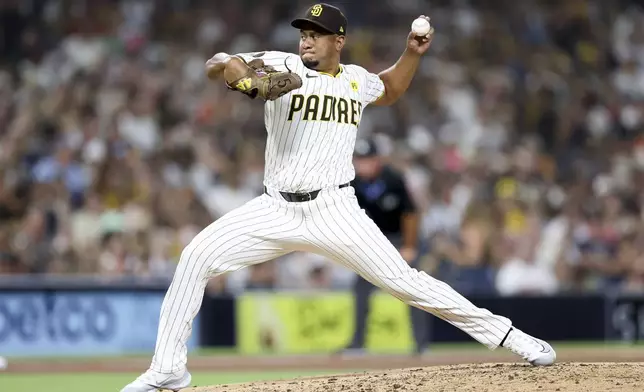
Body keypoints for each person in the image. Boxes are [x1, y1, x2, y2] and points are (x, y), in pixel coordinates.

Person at [122, 4, 555, 391]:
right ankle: (167, 370)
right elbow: (220, 64)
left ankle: (510, 337)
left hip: (334, 208)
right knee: (195, 257)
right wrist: (239, 74)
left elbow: (390, 89)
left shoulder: (354, 80)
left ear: (339, 41)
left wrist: (412, 54)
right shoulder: (282, 63)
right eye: (303, 33)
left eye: (315, 33)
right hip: (274, 207)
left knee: (405, 282)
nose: (306, 40)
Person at [341, 138, 429, 355]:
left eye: (367, 160)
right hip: (370, 244)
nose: (363, 165)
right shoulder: (353, 183)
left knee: (412, 290)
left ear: (377, 160)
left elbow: (410, 214)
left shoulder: (393, 179)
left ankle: (420, 345)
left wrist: (409, 246)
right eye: (359, 160)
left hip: (398, 240)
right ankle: (357, 344)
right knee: (361, 290)